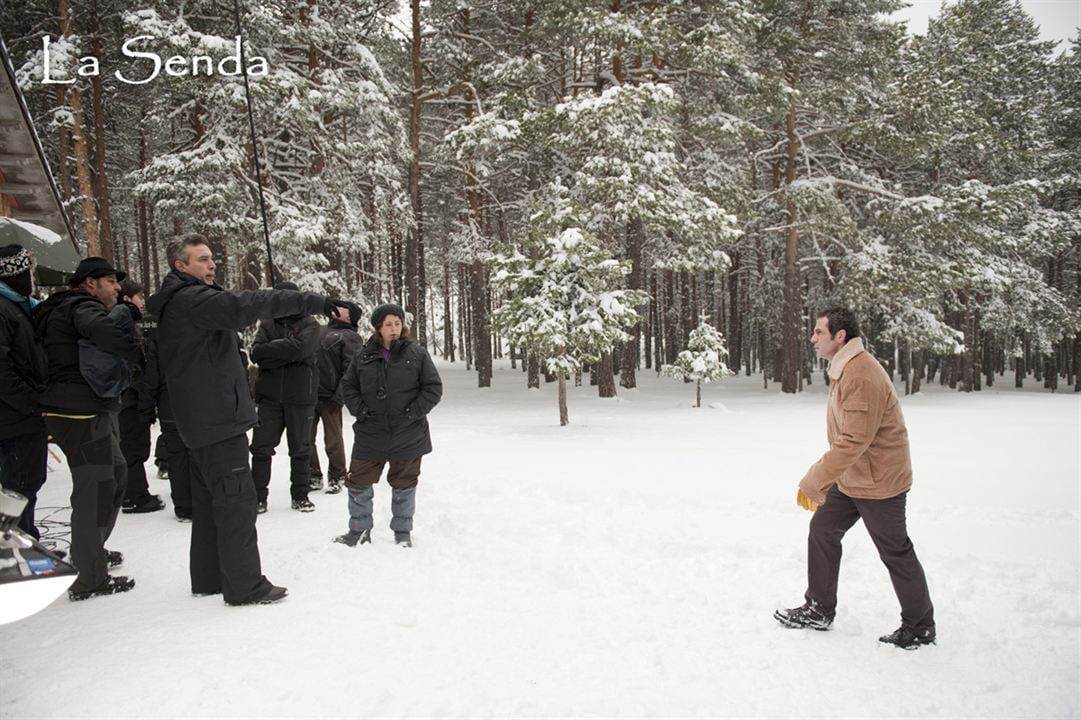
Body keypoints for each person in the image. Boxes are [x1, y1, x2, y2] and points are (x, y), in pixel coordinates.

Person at [145, 233, 356, 605]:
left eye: (212, 258)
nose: (211, 265)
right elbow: (250, 303)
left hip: (203, 417)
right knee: (236, 502)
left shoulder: (183, 302)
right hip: (215, 419)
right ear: (181, 266)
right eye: (202, 259)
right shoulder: (192, 300)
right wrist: (316, 301)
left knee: (212, 501)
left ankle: (209, 577)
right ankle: (244, 585)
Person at [774, 306, 936, 649]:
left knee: (895, 551)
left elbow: (855, 439)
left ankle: (920, 626)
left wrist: (814, 479)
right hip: (854, 477)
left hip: (879, 482)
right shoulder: (846, 368)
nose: (813, 338)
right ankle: (819, 608)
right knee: (822, 530)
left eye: (819, 332)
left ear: (840, 336)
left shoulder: (861, 373)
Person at [34, 256, 140, 600]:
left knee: (115, 475)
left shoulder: (62, 308)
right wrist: (130, 321)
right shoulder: (81, 307)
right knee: (94, 490)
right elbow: (112, 335)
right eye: (111, 281)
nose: (117, 287)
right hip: (79, 411)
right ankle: (88, 578)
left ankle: (90, 552)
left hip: (80, 408)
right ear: (90, 283)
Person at [334, 303, 442, 548]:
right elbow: (348, 386)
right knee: (358, 482)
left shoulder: (417, 354)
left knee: (404, 484)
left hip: (408, 432)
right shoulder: (363, 356)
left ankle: (402, 531)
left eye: (397, 323)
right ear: (378, 328)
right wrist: (360, 410)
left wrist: (413, 412)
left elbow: (433, 388)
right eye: (388, 324)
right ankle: (359, 530)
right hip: (371, 433)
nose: (394, 328)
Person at [249, 281, 321, 513]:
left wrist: (276, 351)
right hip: (269, 397)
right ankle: (258, 496)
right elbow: (257, 353)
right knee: (261, 448)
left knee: (301, 448)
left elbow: (302, 349)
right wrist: (288, 351)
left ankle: (300, 495)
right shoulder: (268, 324)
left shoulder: (310, 324)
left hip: (301, 397)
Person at [0, 245, 49, 540]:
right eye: (28, 270)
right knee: (17, 487)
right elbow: (2, 371)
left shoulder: (20, 307)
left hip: (22, 417)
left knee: (25, 484)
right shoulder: (5, 310)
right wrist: (33, 402)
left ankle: (26, 541)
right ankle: (17, 552)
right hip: (13, 419)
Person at [115, 279, 165, 514]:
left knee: (135, 446)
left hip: (132, 395)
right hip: (130, 396)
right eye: (140, 297)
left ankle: (133, 492)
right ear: (127, 299)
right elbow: (132, 362)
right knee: (133, 447)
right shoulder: (124, 325)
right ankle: (134, 496)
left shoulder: (131, 322)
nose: (143, 301)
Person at [139, 323, 192, 522]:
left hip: (170, 406)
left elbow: (151, 378)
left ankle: (184, 507)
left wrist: (146, 407)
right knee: (193, 455)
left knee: (178, 457)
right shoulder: (202, 331)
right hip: (194, 407)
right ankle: (194, 504)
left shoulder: (161, 337)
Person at [309, 304, 363, 495]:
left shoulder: (351, 337)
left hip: (330, 396)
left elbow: (352, 370)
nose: (339, 309)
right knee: (305, 439)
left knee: (332, 439)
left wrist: (339, 396)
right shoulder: (319, 330)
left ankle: (338, 475)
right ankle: (313, 475)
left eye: (345, 309)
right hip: (307, 394)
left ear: (351, 318)